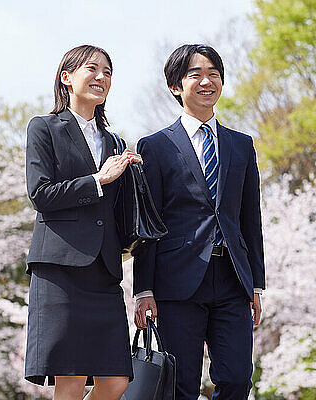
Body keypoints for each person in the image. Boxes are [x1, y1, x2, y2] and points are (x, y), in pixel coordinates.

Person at [133, 44, 265, 399]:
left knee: (237, 378)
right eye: (196, 74)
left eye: (214, 74)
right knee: (180, 383)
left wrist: (256, 283)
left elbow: (250, 218)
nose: (207, 82)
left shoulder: (241, 145)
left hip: (233, 280)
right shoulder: (155, 146)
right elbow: (148, 222)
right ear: (176, 85)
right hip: (176, 281)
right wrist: (143, 289)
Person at [24, 44, 141, 400]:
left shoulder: (115, 141)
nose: (102, 78)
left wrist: (135, 179)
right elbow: (40, 194)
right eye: (93, 69)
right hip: (60, 268)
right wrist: (97, 180)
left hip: (103, 271)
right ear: (66, 77)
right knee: (71, 380)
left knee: (117, 379)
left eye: (108, 73)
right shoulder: (44, 128)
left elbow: (118, 208)